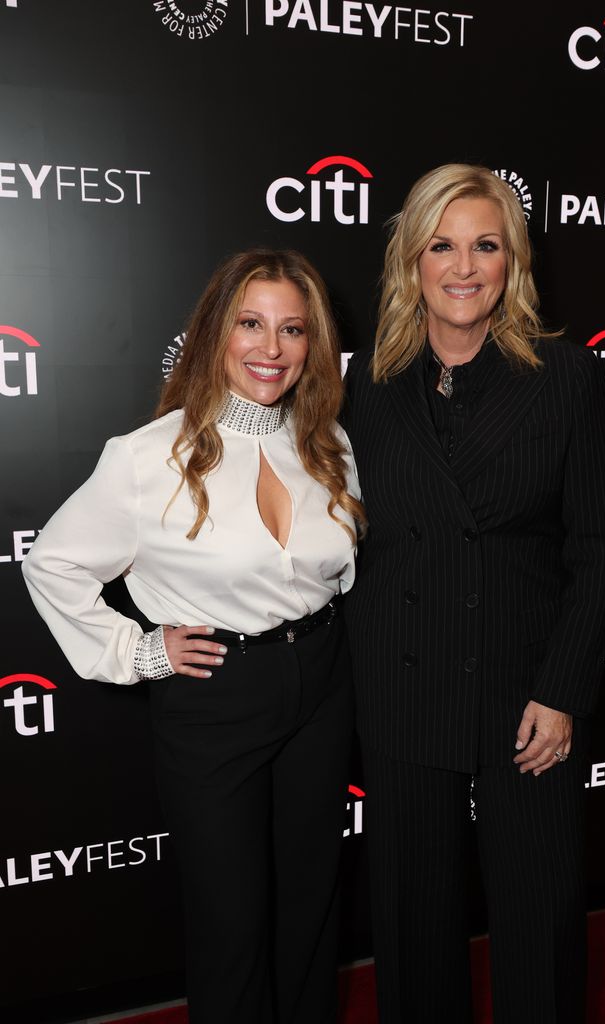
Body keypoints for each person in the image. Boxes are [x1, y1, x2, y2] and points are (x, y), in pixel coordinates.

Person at [22, 249, 364, 1024]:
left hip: (322, 682)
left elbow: (343, 571)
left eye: (292, 329)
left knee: (312, 905)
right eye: (250, 324)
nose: (270, 349)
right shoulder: (147, 458)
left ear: (314, 344)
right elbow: (54, 565)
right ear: (215, 334)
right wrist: (141, 650)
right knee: (230, 922)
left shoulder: (331, 445)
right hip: (214, 697)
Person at [342, 164, 605, 1024]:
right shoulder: (362, 389)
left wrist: (562, 690)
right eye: (442, 245)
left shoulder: (565, 379)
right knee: (413, 926)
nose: (464, 267)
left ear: (512, 262)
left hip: (522, 691)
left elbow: (598, 545)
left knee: (538, 921)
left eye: (485, 245)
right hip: (403, 687)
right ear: (412, 263)